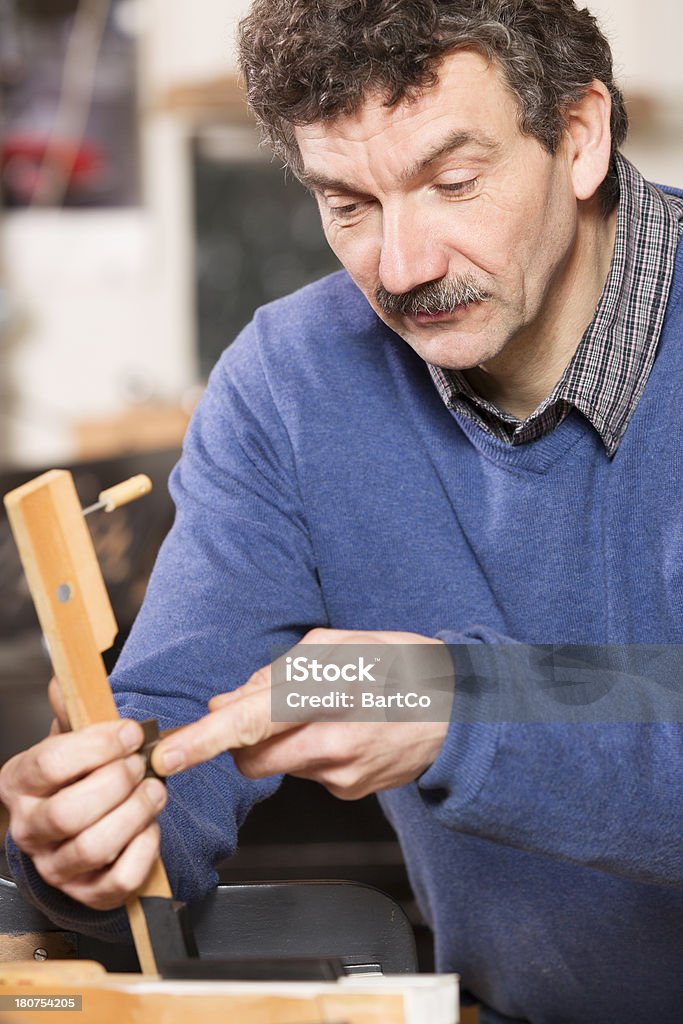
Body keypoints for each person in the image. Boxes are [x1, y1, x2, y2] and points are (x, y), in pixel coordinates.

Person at [2, 1, 683, 1020]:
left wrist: (460, 703)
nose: (401, 268)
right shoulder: (289, 383)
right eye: (347, 203)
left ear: (577, 135)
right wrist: (88, 841)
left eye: (451, 184)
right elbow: (176, 730)